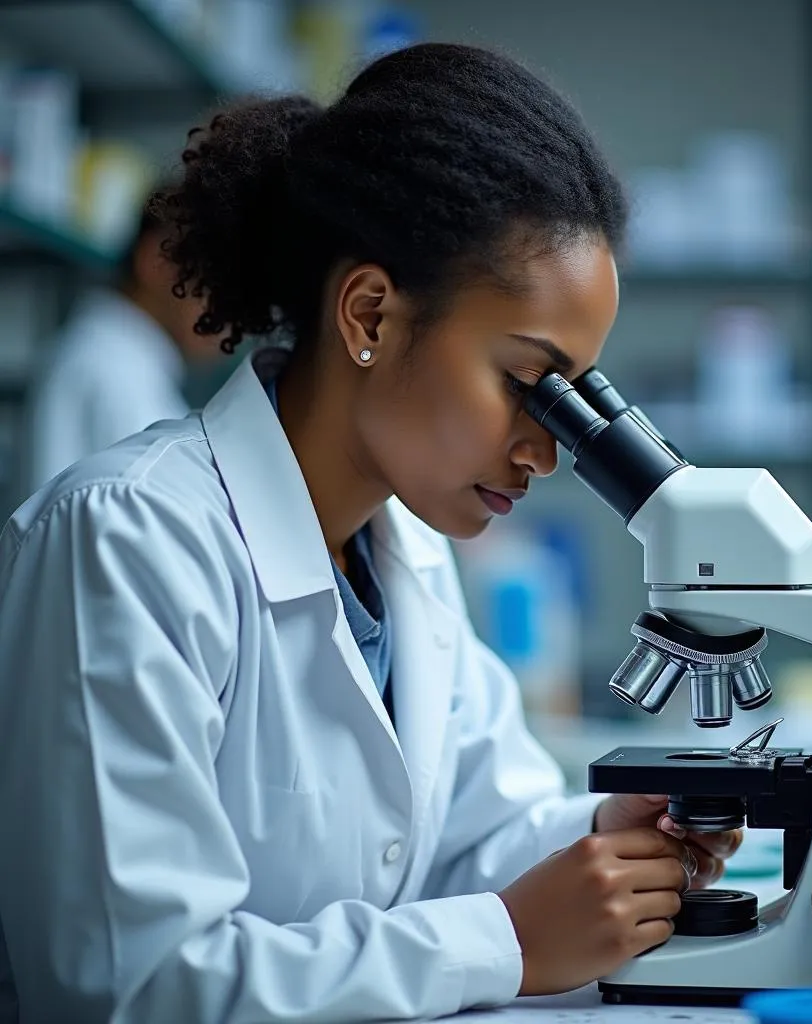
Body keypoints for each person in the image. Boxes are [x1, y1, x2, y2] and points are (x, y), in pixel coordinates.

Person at [0, 44, 741, 1023]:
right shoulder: (126, 540)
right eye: (529, 385)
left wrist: (606, 837)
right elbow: (131, 984)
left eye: (575, 400)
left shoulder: (407, 556)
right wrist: (509, 942)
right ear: (371, 313)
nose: (547, 450)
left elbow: (464, 841)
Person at [27, 190, 222, 492]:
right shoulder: (112, 372)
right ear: (158, 260)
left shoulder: (117, 361)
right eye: (216, 281)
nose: (234, 313)